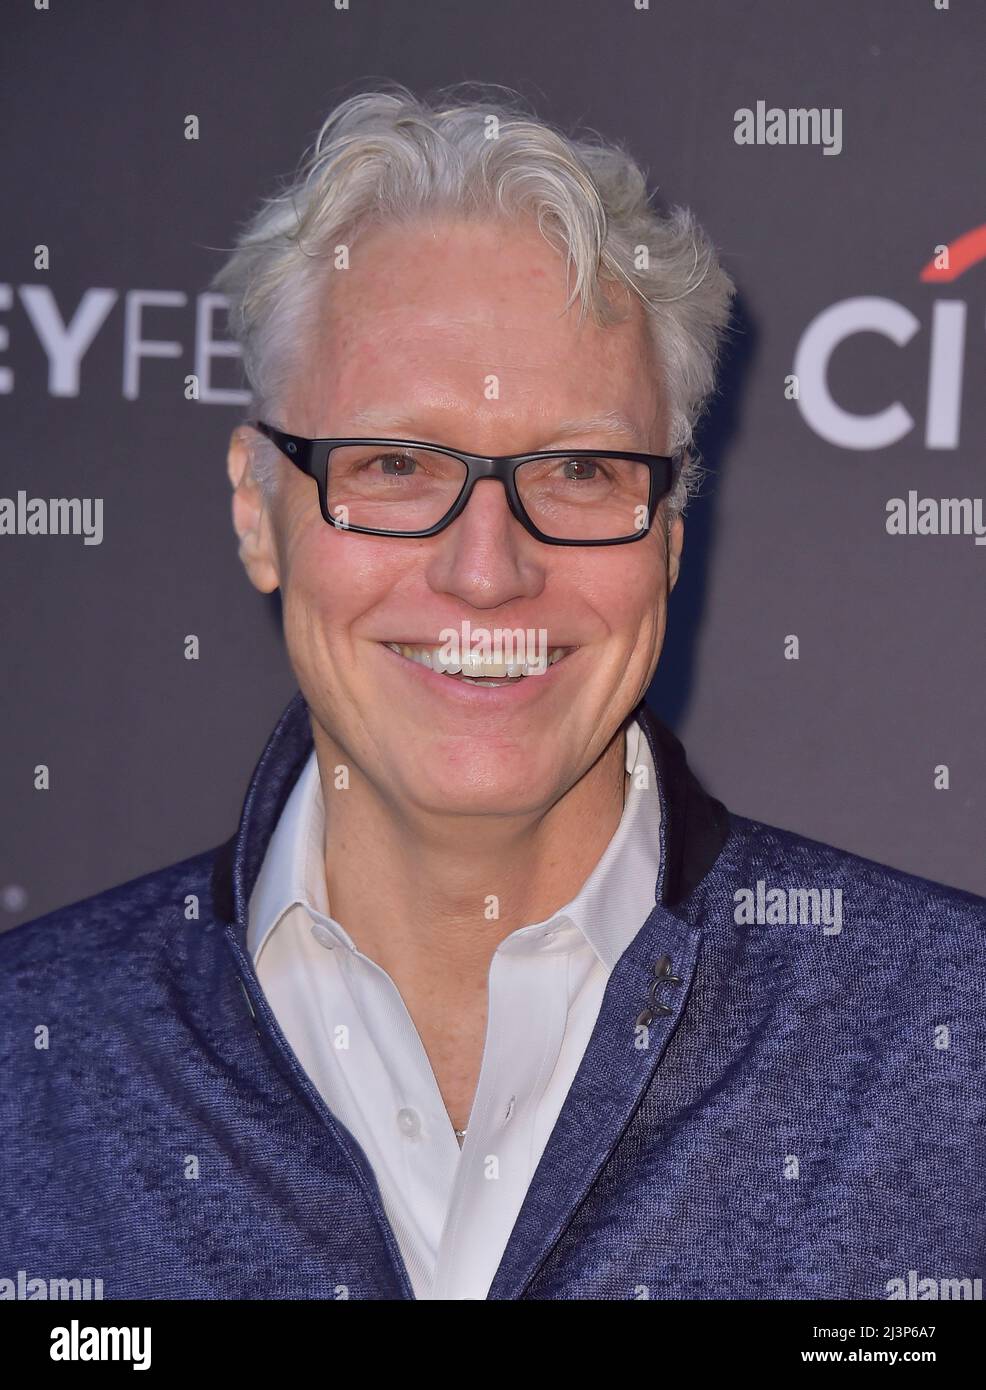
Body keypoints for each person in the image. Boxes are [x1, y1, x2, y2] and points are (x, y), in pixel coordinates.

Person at [2, 83, 984, 1303]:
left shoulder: (954, 1050)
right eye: (398, 463)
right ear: (259, 511)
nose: (485, 571)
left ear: (668, 531)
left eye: (576, 468)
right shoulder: (26, 1063)